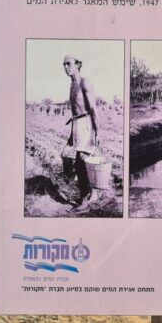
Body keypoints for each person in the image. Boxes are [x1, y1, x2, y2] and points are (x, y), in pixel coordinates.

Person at [62, 54, 99, 209]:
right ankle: (93, 192)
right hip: (77, 125)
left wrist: (98, 132)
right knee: (76, 161)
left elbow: (94, 110)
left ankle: (84, 202)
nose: (66, 67)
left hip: (87, 124)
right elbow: (74, 113)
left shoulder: (85, 83)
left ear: (78, 64)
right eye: (64, 64)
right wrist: (71, 135)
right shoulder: (72, 85)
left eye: (69, 63)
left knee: (80, 162)